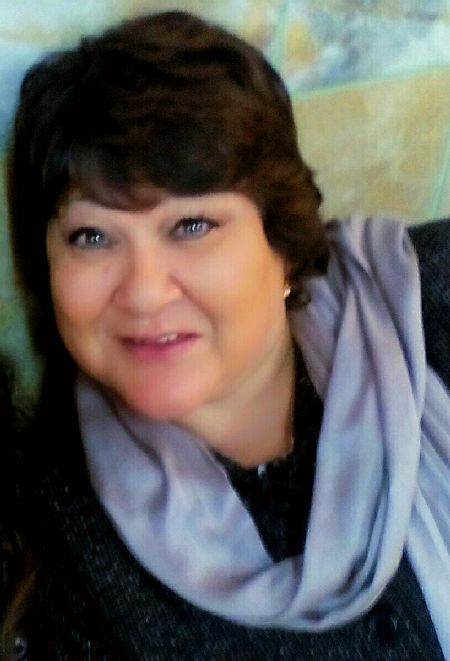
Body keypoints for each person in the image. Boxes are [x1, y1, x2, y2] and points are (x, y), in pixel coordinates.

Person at [2, 9, 449, 660]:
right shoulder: (49, 549)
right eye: (91, 236)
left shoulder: (422, 301)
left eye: (191, 226)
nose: (144, 291)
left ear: (284, 242)